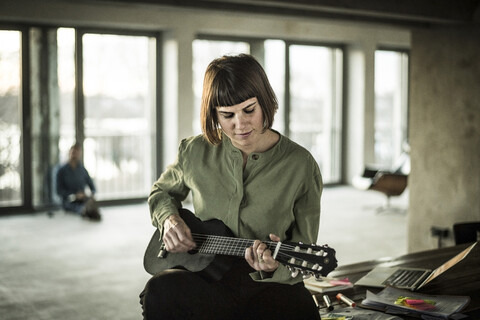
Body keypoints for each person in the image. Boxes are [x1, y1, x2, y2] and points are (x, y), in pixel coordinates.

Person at [139, 54, 323, 320]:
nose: (240, 125)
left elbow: (304, 246)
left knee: (301, 312)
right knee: (159, 291)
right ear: (213, 113)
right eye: (227, 115)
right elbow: (161, 192)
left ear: (265, 102)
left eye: (249, 110)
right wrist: (168, 219)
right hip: (206, 277)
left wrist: (274, 267)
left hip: (268, 286)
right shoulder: (193, 151)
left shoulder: (301, 164)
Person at [56, 142, 101, 221]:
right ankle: (85, 211)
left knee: (88, 203)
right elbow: (59, 191)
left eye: (77, 153)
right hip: (69, 200)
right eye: (73, 152)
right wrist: (74, 195)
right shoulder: (61, 171)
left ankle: (89, 210)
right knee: (72, 206)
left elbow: (93, 187)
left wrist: (90, 195)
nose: (74, 155)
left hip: (82, 199)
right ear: (69, 153)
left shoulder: (83, 170)